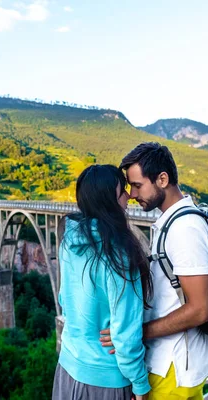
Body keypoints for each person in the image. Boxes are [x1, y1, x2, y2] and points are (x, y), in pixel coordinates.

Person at [101, 142, 208, 400]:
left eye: (137, 185)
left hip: (173, 369)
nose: (131, 194)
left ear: (162, 179)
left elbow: (200, 309)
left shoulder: (185, 229)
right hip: (167, 366)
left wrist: (135, 333)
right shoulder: (172, 223)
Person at [52, 164, 153, 400]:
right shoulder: (120, 253)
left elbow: (63, 300)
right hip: (105, 380)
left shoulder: (69, 241)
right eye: (122, 192)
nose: (128, 196)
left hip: (67, 370)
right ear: (109, 201)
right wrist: (140, 385)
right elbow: (125, 336)